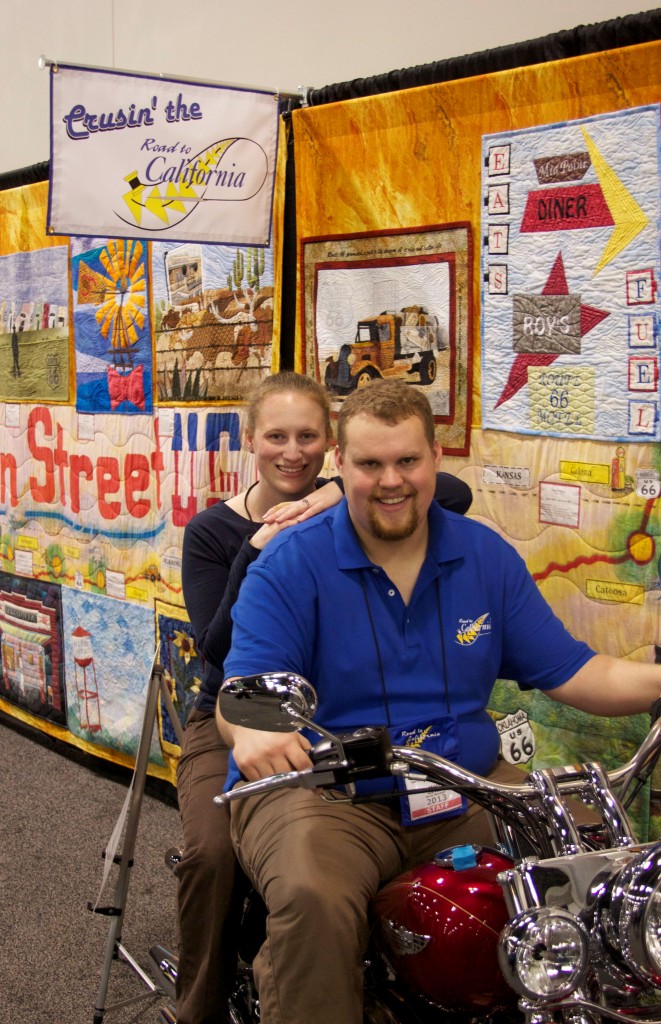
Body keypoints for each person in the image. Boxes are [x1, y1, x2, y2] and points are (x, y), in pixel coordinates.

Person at [218, 378, 661, 1024]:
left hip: (467, 784)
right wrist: (255, 732)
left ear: (434, 459)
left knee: (581, 875)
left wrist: (655, 679)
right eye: (369, 464)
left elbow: (574, 671)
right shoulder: (289, 563)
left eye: (406, 461)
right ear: (339, 466)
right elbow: (245, 692)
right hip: (326, 792)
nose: (390, 480)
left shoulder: (482, 555)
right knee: (314, 902)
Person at [176, 371, 472, 1024]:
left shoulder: (356, 500)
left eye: (308, 436)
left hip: (343, 713)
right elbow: (217, 650)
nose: (292, 451)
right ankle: (196, 1006)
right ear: (249, 440)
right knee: (214, 853)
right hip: (234, 717)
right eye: (276, 436)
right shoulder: (213, 533)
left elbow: (454, 490)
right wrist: (257, 551)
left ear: (328, 448)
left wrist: (329, 496)